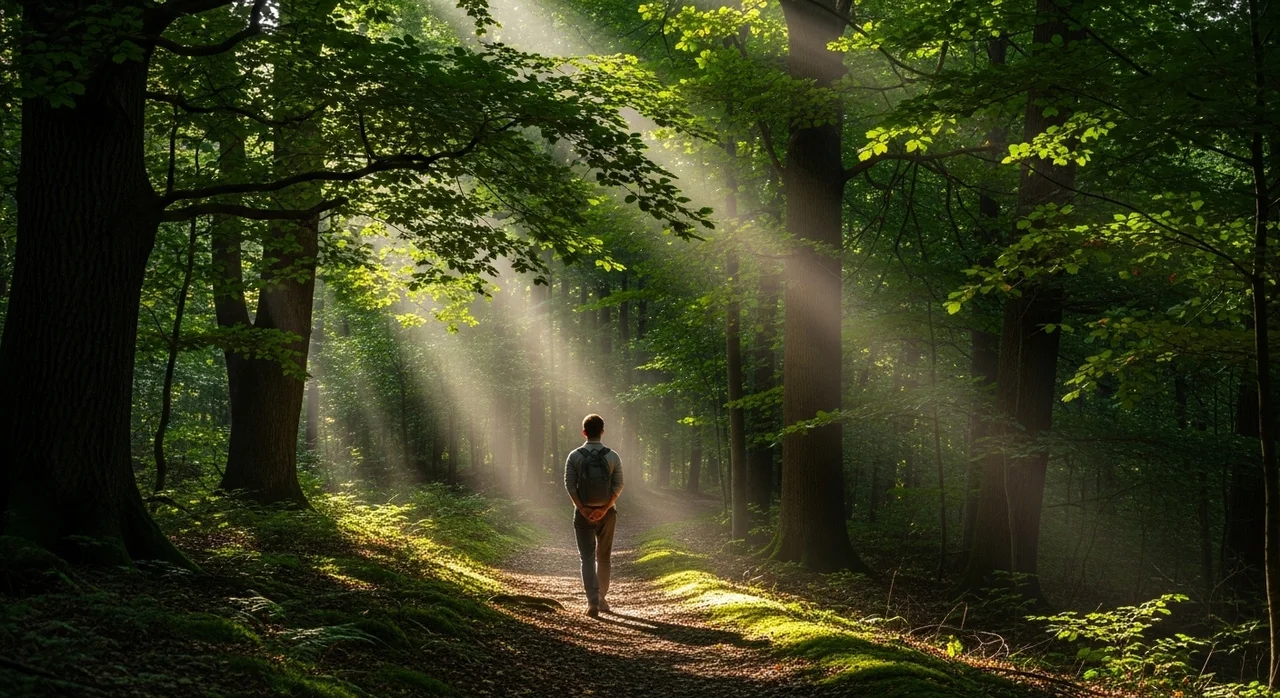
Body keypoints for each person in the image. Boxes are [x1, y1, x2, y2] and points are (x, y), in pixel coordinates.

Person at [564, 413, 624, 617]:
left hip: (583, 514)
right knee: (604, 557)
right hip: (608, 514)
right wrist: (605, 508)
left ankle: (592, 602)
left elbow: (570, 485)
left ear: (584, 432)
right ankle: (601, 598)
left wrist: (583, 509)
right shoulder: (613, 456)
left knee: (587, 558)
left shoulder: (574, 456)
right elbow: (618, 485)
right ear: (602, 431)